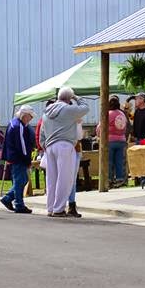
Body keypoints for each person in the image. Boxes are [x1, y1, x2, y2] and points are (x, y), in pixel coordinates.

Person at [39, 87, 89, 217]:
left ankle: (51, 208)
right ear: (69, 98)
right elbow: (85, 108)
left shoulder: (46, 113)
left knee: (52, 179)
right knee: (65, 178)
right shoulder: (68, 109)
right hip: (65, 145)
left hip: (50, 146)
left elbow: (42, 133)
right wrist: (76, 97)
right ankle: (59, 208)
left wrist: (44, 145)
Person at [0, 106, 36, 214]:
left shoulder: (14, 123)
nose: (31, 118)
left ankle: (8, 198)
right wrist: (27, 160)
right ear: (24, 115)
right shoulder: (18, 126)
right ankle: (19, 204)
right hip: (18, 157)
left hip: (14, 156)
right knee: (20, 181)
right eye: (30, 116)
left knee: (22, 180)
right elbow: (22, 146)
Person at [97, 95, 128, 187]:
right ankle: (120, 179)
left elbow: (100, 128)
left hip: (110, 140)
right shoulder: (122, 114)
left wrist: (98, 135)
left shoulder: (108, 114)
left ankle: (109, 179)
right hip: (121, 140)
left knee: (109, 161)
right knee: (119, 161)